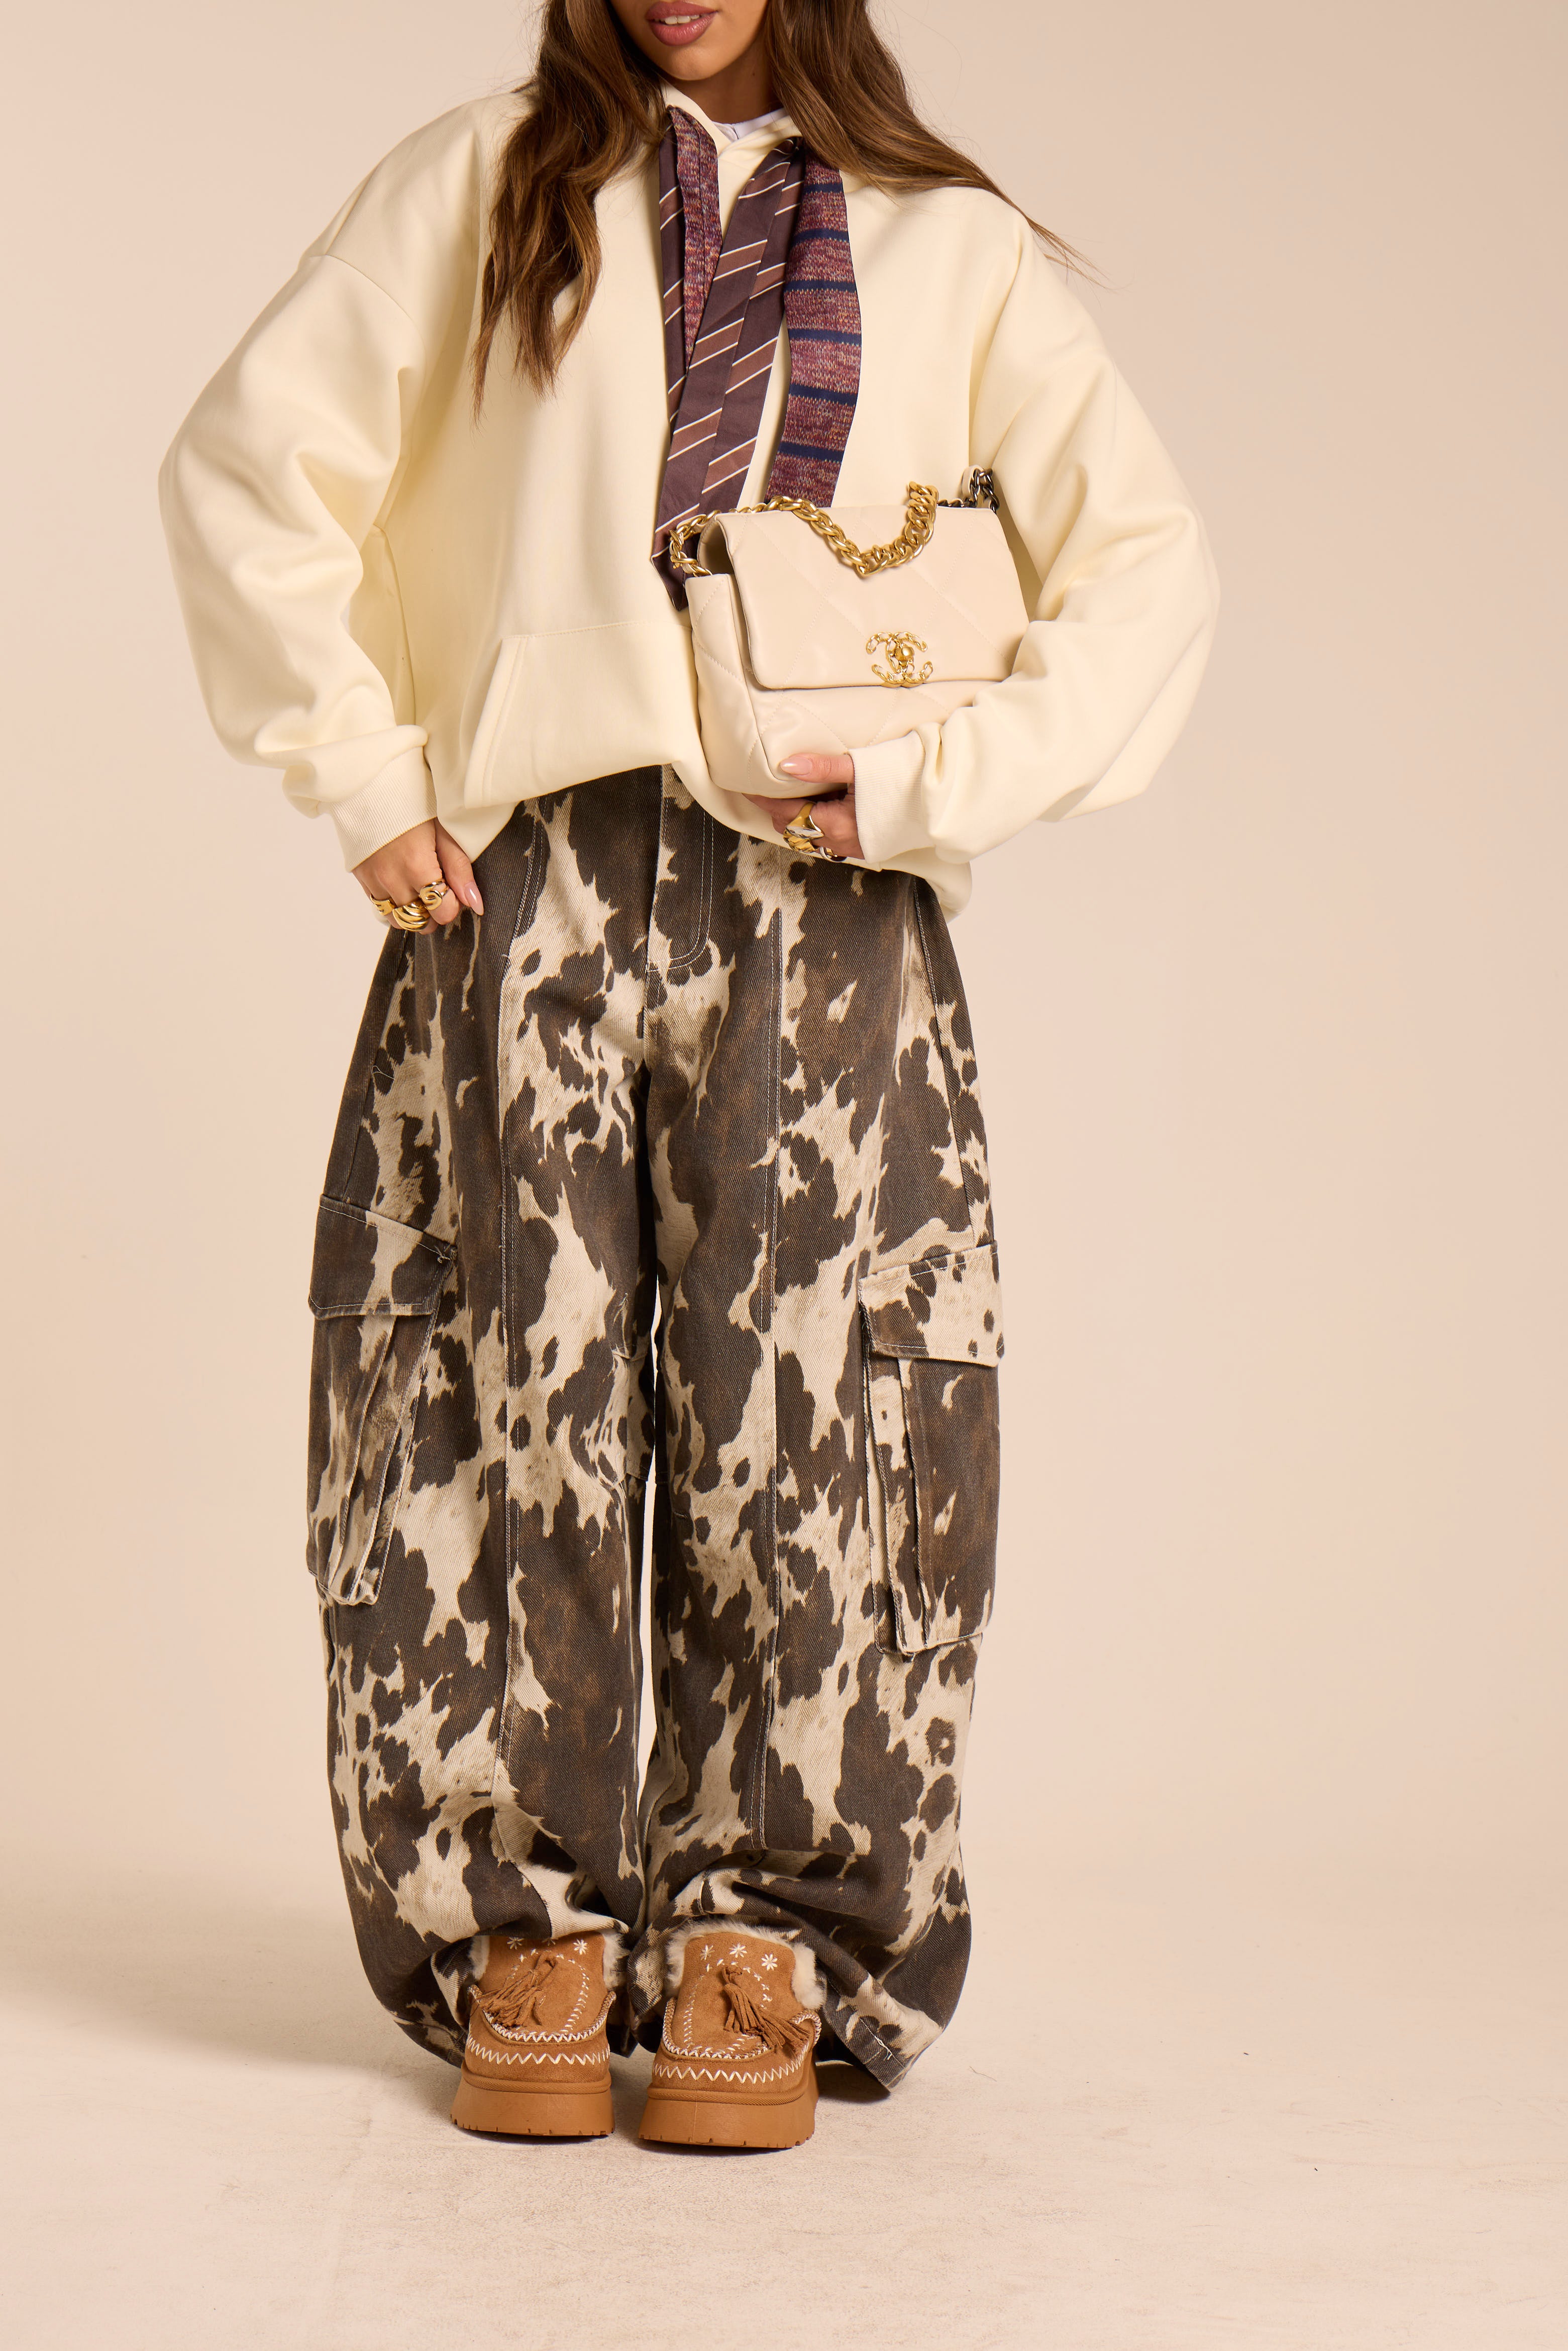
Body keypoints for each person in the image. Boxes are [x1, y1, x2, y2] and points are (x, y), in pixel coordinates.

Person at [159, 0, 1219, 2153]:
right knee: (483, 1386)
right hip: (523, 872)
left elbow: (1146, 577)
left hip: (825, 900)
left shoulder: (942, 245)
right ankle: (520, 1937)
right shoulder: (485, 183)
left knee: (825, 1412)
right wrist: (361, 770)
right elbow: (247, 465)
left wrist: (924, 779)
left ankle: (770, 1946)